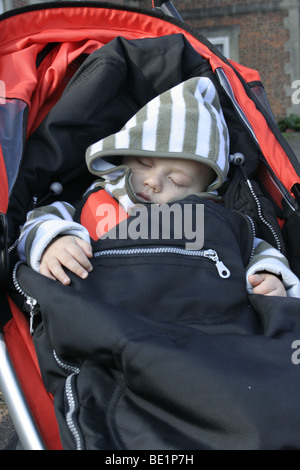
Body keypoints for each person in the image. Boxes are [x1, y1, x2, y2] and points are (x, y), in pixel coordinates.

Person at [17, 76, 300, 298]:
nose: (152, 181)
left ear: (206, 191)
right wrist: (54, 241)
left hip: (198, 326)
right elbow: (36, 220)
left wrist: (270, 276)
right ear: (124, 154)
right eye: (143, 162)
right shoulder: (92, 203)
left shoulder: (216, 218)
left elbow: (258, 249)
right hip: (104, 316)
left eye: (177, 180)